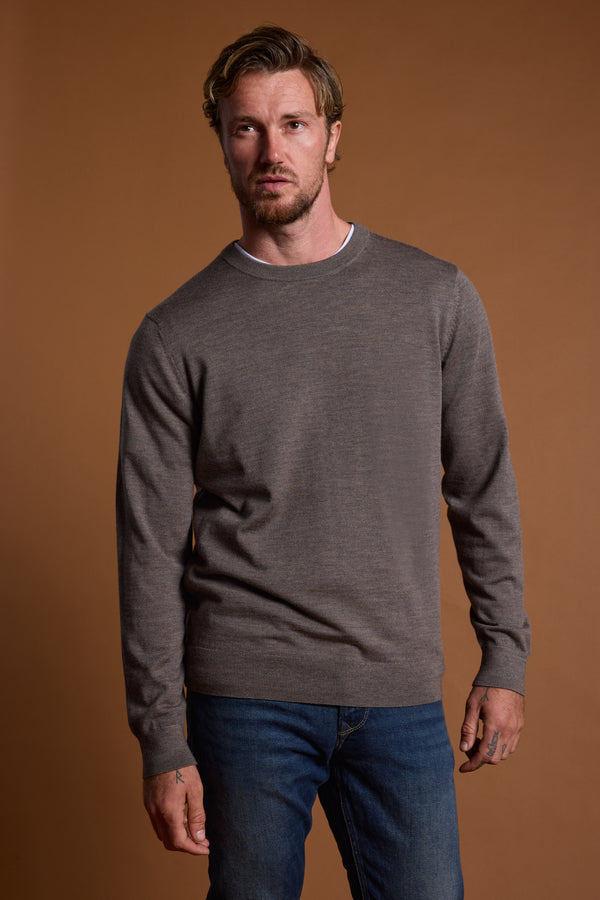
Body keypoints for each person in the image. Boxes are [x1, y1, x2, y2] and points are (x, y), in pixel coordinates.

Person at [117, 24, 530, 900]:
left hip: (397, 692)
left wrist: (504, 657)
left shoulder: (435, 298)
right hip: (244, 701)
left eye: (295, 125)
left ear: (333, 136)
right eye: (246, 128)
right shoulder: (176, 333)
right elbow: (148, 547)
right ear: (222, 142)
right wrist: (163, 739)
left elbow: (482, 484)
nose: (273, 150)